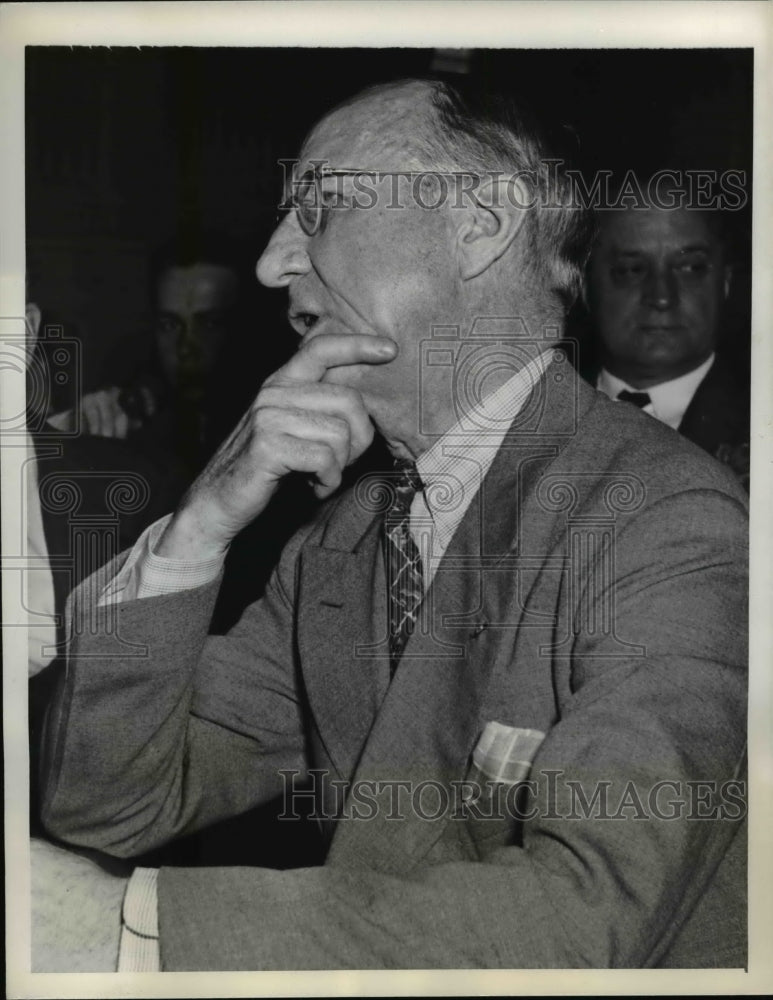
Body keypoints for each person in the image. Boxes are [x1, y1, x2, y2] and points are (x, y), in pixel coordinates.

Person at [33, 78, 747, 971]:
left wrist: (134, 928)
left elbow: (583, 919)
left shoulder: (669, 519)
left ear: (480, 222)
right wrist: (198, 530)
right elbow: (106, 804)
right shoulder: (344, 540)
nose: (272, 264)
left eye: (319, 206)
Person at [585, 183, 749, 487]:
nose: (661, 297)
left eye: (690, 268)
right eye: (631, 270)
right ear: (585, 286)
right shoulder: (531, 417)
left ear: (725, 283)